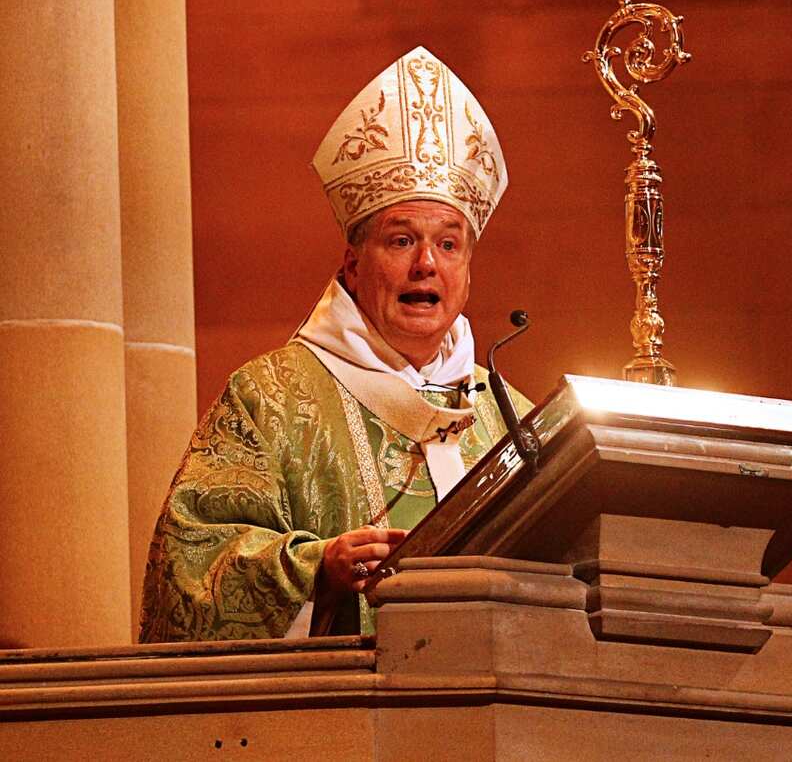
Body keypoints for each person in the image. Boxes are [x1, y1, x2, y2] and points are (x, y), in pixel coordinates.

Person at [139, 46, 531, 641]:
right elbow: (187, 570)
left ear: (469, 269)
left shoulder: (513, 420)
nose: (427, 264)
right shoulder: (268, 400)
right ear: (352, 263)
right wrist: (315, 570)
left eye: (449, 245)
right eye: (401, 241)